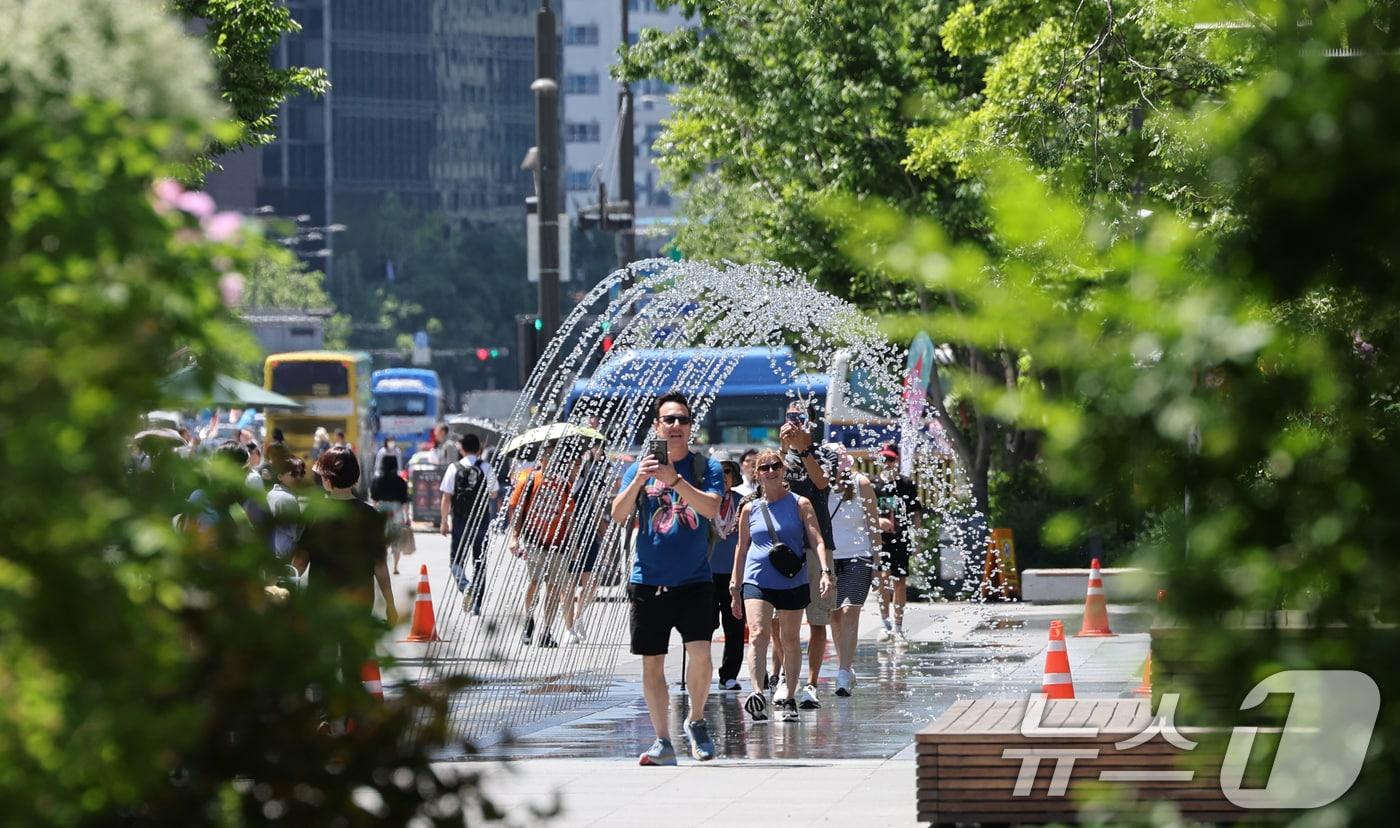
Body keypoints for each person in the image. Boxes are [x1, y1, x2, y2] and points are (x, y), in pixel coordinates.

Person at [610, 390, 723, 765]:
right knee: (652, 662)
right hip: (649, 579)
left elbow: (710, 508)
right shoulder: (638, 468)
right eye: (669, 419)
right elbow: (619, 514)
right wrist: (638, 481)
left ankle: (696, 720)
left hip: (694, 579)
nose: (676, 426)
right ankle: (662, 741)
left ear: (691, 427)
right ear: (657, 426)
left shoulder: (706, 467)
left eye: (683, 420)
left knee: (702, 654)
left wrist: (674, 481)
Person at [730, 448, 832, 724]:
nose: (771, 471)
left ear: (783, 470)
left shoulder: (801, 504)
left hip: (791, 580)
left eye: (776, 465)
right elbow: (741, 549)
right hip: (757, 579)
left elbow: (817, 540)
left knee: (788, 639)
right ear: (757, 474)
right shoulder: (749, 509)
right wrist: (735, 586)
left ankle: (788, 695)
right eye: (765, 468)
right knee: (759, 634)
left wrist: (824, 571)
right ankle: (758, 694)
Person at [293, 446, 399, 690]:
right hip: (359, 601)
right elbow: (379, 565)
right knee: (355, 662)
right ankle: (353, 719)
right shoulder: (371, 516)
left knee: (324, 661)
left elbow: (299, 562)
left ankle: (327, 719)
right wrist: (390, 605)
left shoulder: (316, 514)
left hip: (322, 602)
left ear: (328, 480)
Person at [777, 400, 836, 710]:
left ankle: (812, 684)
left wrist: (802, 449)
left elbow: (821, 481)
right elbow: (774, 487)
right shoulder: (778, 457)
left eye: (801, 417)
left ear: (812, 422)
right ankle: (783, 678)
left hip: (817, 546)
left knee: (817, 619)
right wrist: (781, 448)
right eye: (790, 417)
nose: (795, 422)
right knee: (779, 621)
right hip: (784, 547)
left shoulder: (826, 452)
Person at [823, 444, 882, 696]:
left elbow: (873, 524)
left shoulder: (861, 484)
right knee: (834, 615)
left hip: (859, 556)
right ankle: (844, 665)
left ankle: (844, 672)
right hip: (829, 557)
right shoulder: (819, 486)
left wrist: (878, 563)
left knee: (849, 610)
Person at [439, 433, 498, 614]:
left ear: (462, 449)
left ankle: (465, 586)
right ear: (479, 449)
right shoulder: (486, 467)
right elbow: (494, 493)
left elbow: (446, 497)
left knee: (456, 561)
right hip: (481, 520)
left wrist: (443, 522)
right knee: (479, 561)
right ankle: (477, 605)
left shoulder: (453, 468)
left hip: (460, 520)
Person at [875, 444, 924, 642]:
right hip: (880, 540)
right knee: (883, 580)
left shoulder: (906, 484)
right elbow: (865, 515)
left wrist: (918, 540)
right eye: (883, 459)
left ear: (896, 461)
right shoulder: (873, 484)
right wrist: (879, 521)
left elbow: (916, 514)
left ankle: (898, 626)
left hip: (901, 539)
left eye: (890, 459)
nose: (887, 463)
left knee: (900, 582)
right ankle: (885, 623)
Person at [709, 460, 746, 691]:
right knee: (704, 626)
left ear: (734, 475)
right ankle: (700, 672)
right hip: (706, 573)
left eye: (727, 471)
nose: (723, 476)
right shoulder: (703, 500)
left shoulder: (743, 503)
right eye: (717, 471)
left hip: (734, 573)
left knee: (734, 626)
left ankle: (729, 675)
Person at [371, 451, 413, 575]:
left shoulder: (377, 480)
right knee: (396, 541)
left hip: (381, 511)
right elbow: (405, 501)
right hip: (397, 511)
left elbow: (374, 500)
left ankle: (381, 565)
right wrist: (407, 517)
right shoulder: (401, 481)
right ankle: (395, 567)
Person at [264, 445, 305, 560]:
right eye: (293, 474)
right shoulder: (286, 498)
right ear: (280, 476)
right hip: (284, 554)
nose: (298, 478)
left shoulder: (272, 493)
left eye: (301, 474)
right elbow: (296, 534)